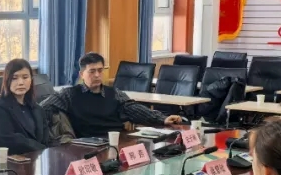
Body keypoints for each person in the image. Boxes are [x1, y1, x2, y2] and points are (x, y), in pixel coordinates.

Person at [41, 52, 183, 138]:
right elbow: (42, 108)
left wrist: (162, 119)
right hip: (87, 144)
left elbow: (133, 108)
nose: (97, 75)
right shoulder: (69, 94)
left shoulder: (114, 93)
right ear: (81, 74)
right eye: (92, 71)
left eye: (100, 70)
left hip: (117, 140)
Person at [0, 58, 51, 155]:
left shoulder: (36, 108)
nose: (21, 82)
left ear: (31, 80)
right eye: (14, 78)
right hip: (13, 159)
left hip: (38, 157)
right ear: (7, 80)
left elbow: (46, 136)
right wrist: (42, 149)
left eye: (25, 77)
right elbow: (10, 140)